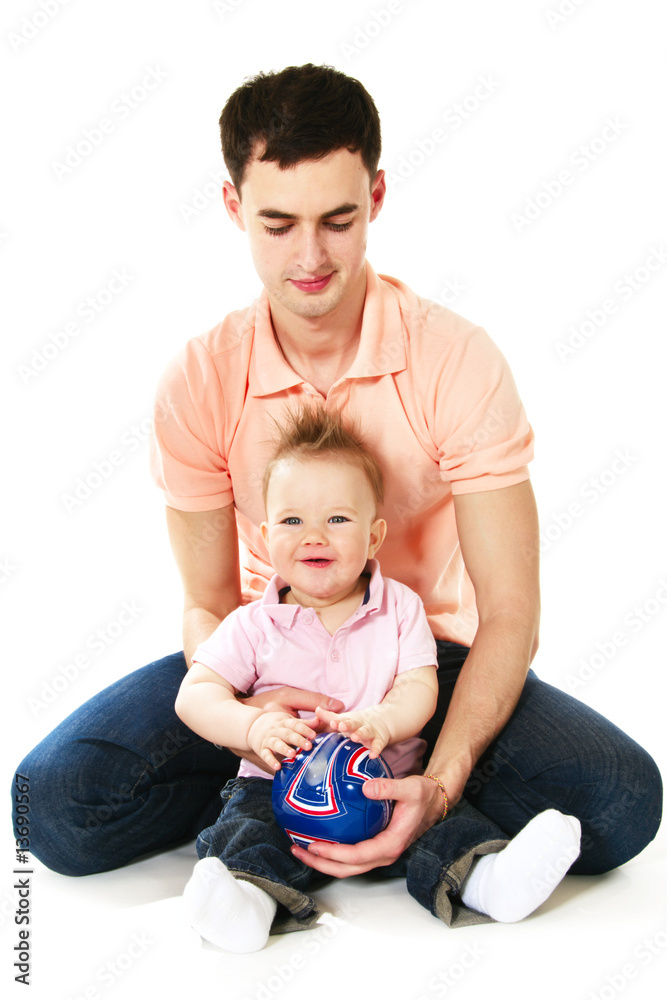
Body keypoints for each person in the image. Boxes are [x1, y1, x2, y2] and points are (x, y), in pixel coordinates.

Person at [13, 64, 661, 896]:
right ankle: (277, 799)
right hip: (271, 655)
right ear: (232, 206)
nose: (310, 256)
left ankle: (380, 801)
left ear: (376, 196)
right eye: (278, 223)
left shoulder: (455, 359)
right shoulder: (200, 377)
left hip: (419, 664)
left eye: (338, 220)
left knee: (620, 801)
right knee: (52, 807)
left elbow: (510, 613)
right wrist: (249, 718)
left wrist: (440, 778)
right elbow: (208, 605)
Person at [176, 404, 582, 950]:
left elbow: (419, 686)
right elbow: (196, 695)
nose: (314, 536)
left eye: (337, 520)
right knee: (247, 827)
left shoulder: (400, 608)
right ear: (267, 535)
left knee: (446, 822)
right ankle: (248, 901)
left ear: (373, 537)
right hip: (278, 787)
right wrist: (252, 729)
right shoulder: (252, 624)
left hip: (385, 780)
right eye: (293, 522)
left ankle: (488, 881)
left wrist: (383, 723)